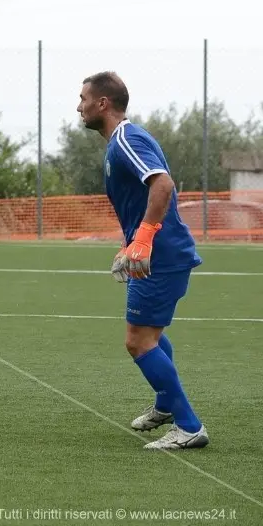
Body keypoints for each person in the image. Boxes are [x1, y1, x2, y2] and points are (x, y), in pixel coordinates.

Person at [77, 72, 207, 450]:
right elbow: (140, 200)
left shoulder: (126, 139)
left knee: (138, 341)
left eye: (83, 97)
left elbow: (163, 184)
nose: (79, 106)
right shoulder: (119, 143)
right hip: (156, 253)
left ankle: (189, 427)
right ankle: (166, 405)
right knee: (150, 335)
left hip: (162, 256)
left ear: (103, 103)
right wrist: (129, 244)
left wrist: (145, 239)